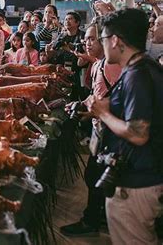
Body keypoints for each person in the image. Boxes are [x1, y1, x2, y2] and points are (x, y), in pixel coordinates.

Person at [86, 8, 163, 245]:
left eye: (103, 39)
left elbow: (138, 133)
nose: (103, 45)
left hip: (137, 182)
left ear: (116, 40)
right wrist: (103, 105)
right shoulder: (143, 67)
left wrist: (103, 114)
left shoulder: (136, 75)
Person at [60, 18, 121, 237]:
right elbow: (96, 97)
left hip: (109, 131)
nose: (87, 43)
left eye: (93, 39)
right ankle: (97, 216)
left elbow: (116, 99)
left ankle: (92, 220)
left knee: (96, 174)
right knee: (93, 174)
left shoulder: (110, 66)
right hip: (99, 128)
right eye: (86, 39)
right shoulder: (96, 64)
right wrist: (82, 105)